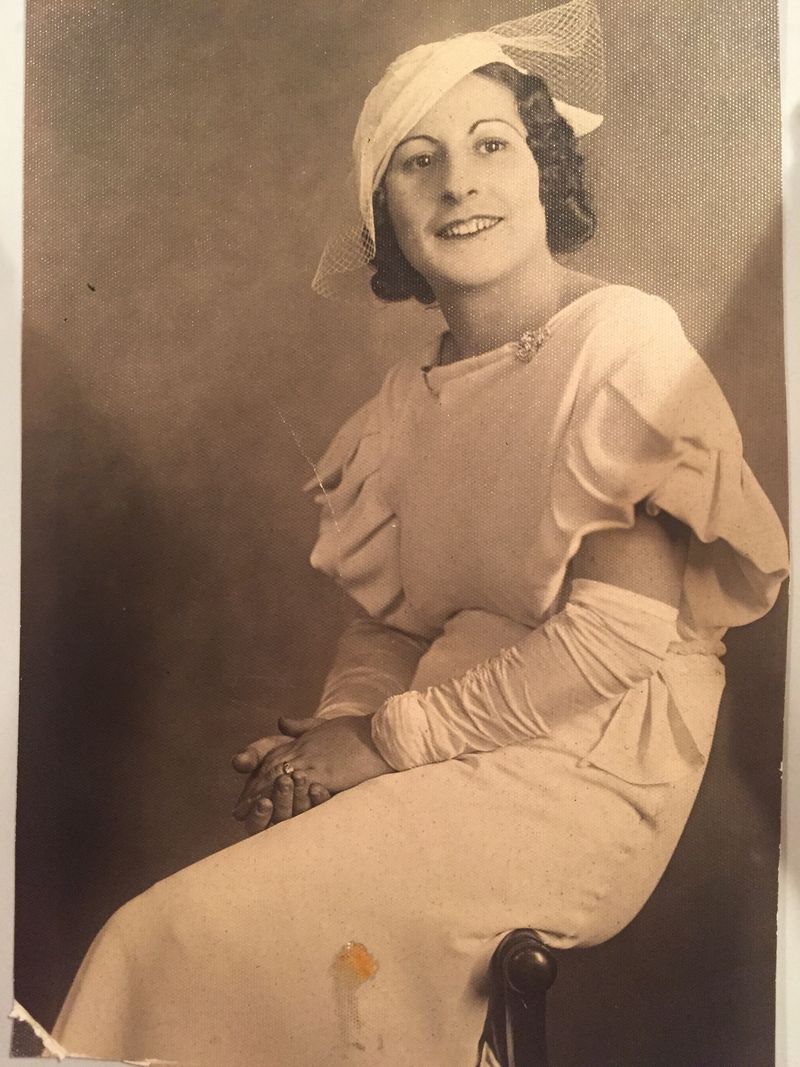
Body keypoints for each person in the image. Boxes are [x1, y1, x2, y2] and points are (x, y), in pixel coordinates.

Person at [50, 2, 789, 1064]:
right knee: (200, 941)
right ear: (382, 212)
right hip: (446, 742)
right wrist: (333, 732)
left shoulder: (622, 343)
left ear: (542, 169)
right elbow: (388, 631)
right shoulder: (407, 401)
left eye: (492, 146)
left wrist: (379, 744)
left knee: (165, 936)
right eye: (417, 161)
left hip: (586, 765)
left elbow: (615, 640)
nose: (458, 184)